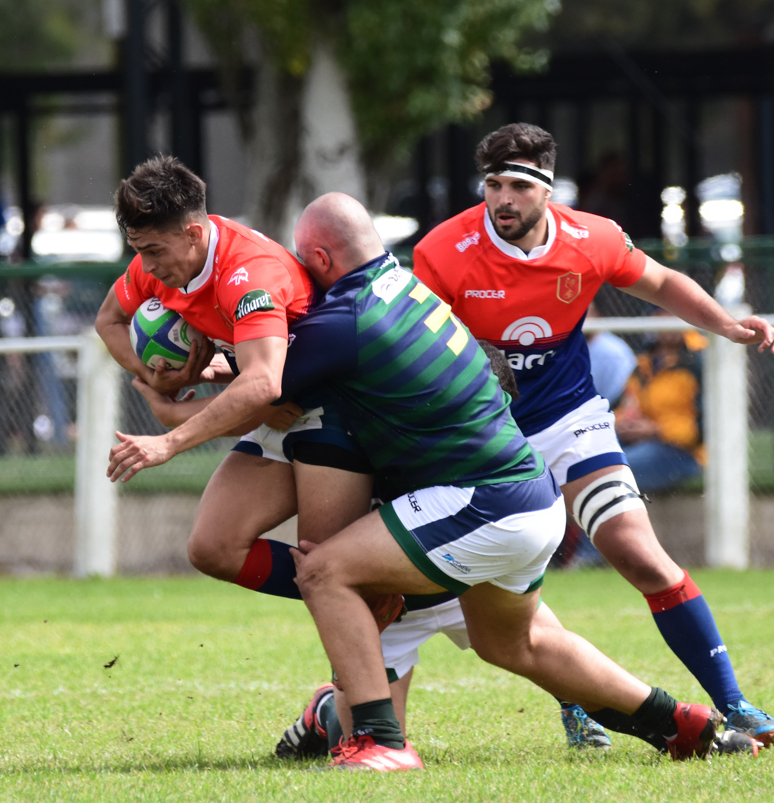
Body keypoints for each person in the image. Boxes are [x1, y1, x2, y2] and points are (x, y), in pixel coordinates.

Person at [274, 194, 740, 771]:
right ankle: (678, 722)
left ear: (319, 259)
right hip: (520, 503)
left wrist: (171, 424)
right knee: (513, 644)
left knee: (324, 569)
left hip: (474, 508)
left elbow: (266, 388)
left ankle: (381, 744)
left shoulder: (349, 316)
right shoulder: (412, 293)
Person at [408, 122, 774, 746]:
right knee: (510, 595)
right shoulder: (444, 249)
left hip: (569, 419)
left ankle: (735, 703)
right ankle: (575, 696)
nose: (503, 199)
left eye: (520, 186)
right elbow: (419, 343)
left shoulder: (593, 238)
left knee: (641, 556)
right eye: (493, 185)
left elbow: (661, 282)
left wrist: (726, 325)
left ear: (549, 190)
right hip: (483, 436)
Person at [93, 157, 374, 605]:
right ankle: (376, 598)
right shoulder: (155, 265)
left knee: (323, 564)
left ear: (193, 233)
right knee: (213, 548)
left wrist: (168, 439)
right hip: (280, 403)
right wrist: (153, 376)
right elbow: (108, 320)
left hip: (333, 408)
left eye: (154, 250)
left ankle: (360, 652)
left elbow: (263, 384)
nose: (145, 265)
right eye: (138, 249)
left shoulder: (248, 273)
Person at [616, 313, 707, 493]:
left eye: (675, 312)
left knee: (616, 469)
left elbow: (702, 429)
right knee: (589, 459)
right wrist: (624, 423)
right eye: (662, 313)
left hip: (684, 453)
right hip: (642, 442)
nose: (669, 320)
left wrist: (657, 430)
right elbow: (625, 404)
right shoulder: (644, 364)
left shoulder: (700, 361)